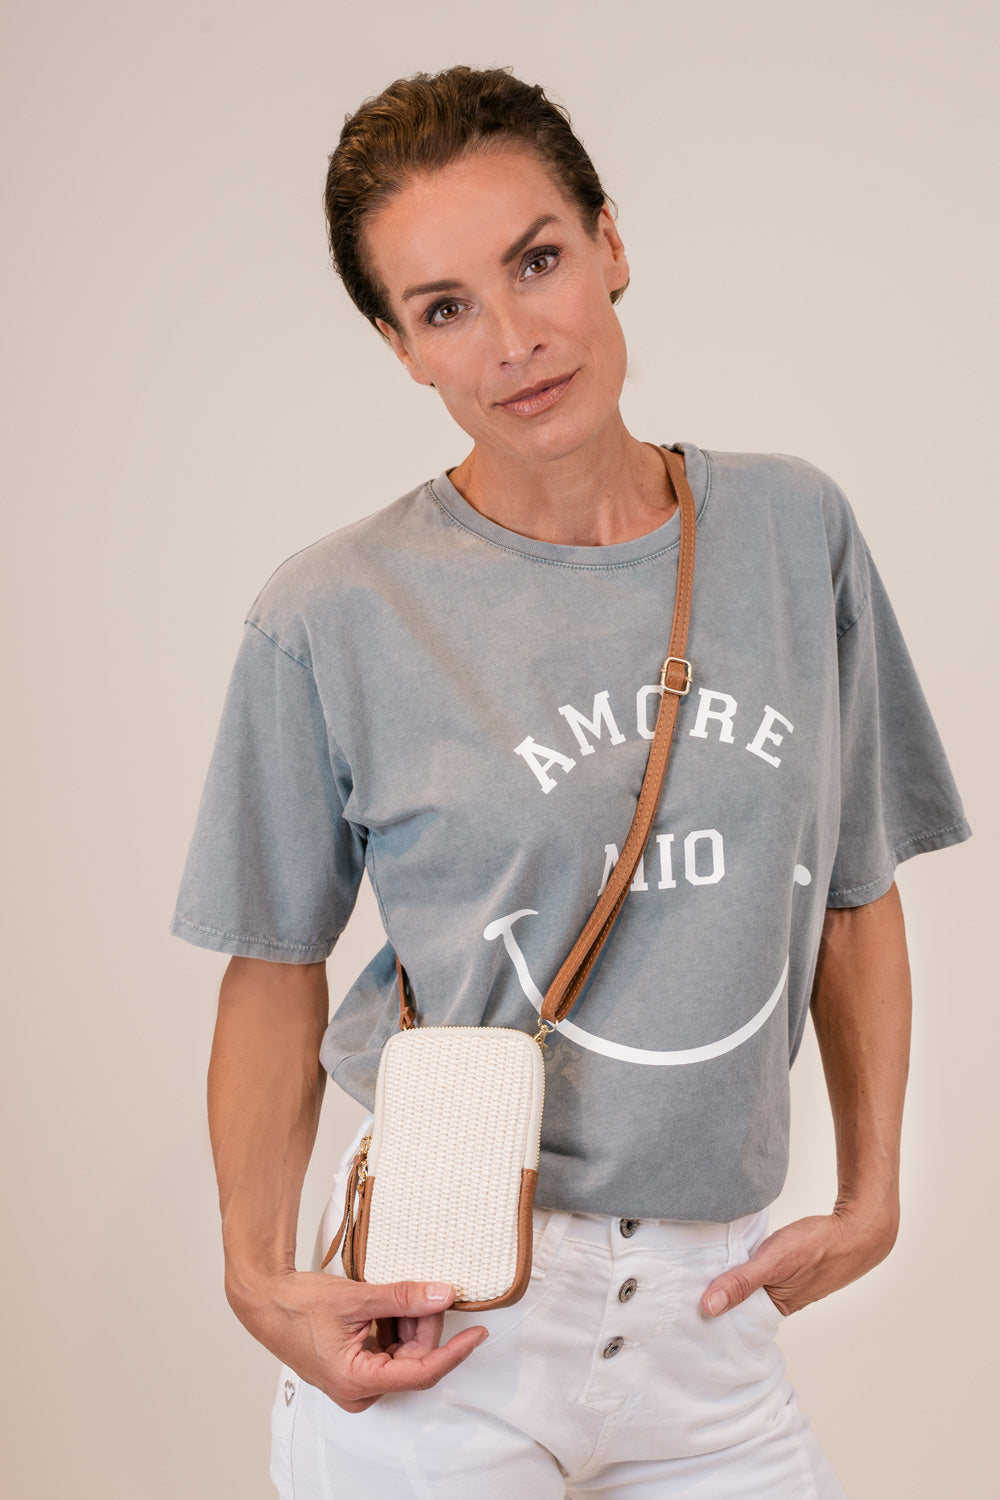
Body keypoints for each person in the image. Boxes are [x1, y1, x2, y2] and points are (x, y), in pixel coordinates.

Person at [171, 65, 970, 1498]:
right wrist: (255, 1276)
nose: (513, 340)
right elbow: (274, 962)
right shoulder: (336, 612)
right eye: (444, 308)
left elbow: (854, 889)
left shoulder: (794, 532)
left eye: (536, 261)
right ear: (399, 348)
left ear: (610, 242)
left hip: (715, 1327)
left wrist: (874, 1190)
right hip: (446, 1308)